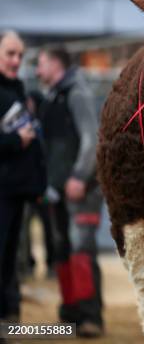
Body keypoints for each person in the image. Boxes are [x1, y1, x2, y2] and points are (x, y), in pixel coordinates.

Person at [36, 47, 104, 337]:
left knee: (80, 251)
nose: (37, 71)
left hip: (81, 191)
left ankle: (90, 318)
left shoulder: (77, 93)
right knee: (63, 250)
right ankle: (71, 313)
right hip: (58, 190)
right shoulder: (53, 97)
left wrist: (78, 176)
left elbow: (92, 140)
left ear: (55, 64)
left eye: (40, 64)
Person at [0, 31, 46, 324]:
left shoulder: (17, 89)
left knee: (8, 260)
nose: (17, 60)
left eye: (20, 55)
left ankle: (7, 317)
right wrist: (16, 140)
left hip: (16, 190)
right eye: (10, 54)